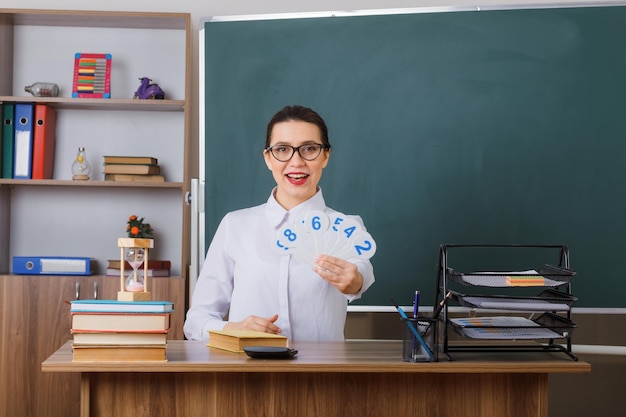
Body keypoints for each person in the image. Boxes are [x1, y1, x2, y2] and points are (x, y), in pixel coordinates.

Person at [184, 105, 375, 342]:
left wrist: (355, 282)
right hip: (248, 374)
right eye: (282, 149)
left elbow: (362, 270)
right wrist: (233, 329)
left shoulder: (345, 227)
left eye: (309, 149)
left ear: (325, 156)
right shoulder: (235, 226)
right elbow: (195, 322)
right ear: (268, 158)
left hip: (322, 375)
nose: (296, 162)